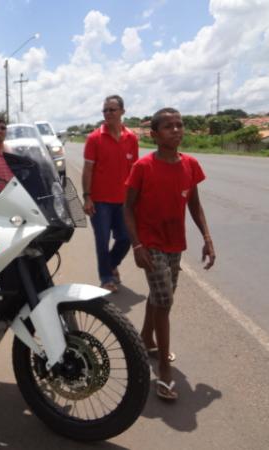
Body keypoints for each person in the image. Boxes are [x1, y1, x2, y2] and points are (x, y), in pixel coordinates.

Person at [123, 107, 216, 401]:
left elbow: (194, 205)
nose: (176, 130)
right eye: (168, 127)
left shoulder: (190, 165)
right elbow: (127, 208)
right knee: (164, 300)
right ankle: (163, 368)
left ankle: (145, 339)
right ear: (154, 134)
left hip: (175, 243)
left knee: (160, 296)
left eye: (179, 125)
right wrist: (136, 245)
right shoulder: (143, 167)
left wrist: (207, 238)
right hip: (150, 242)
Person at [82, 95, 139, 292]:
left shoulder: (131, 138)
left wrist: (136, 197)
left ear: (122, 112)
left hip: (123, 201)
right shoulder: (94, 138)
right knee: (102, 240)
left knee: (126, 238)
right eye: (105, 110)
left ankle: (111, 264)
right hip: (100, 201)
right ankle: (106, 278)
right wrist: (87, 196)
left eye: (112, 110)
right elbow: (88, 169)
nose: (108, 114)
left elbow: (134, 171)